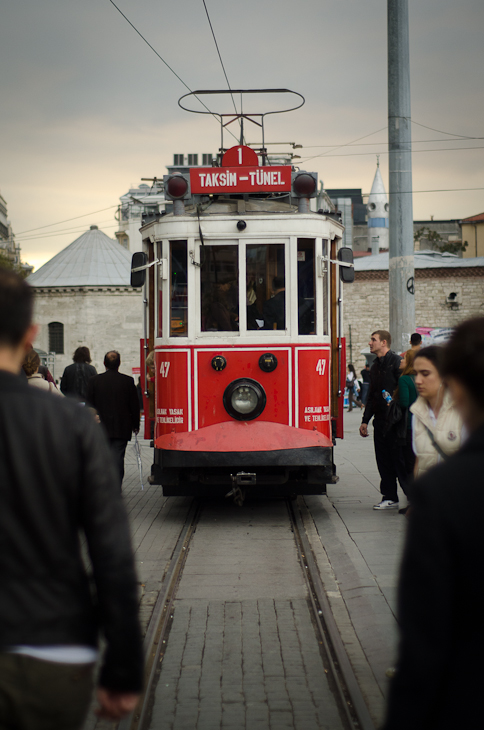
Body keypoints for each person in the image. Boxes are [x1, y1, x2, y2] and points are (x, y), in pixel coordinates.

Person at [0, 269, 143, 728]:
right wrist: (122, 669)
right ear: (31, 335)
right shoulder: (71, 425)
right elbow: (112, 554)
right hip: (52, 647)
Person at [382, 317, 484, 730]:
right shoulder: (417, 412)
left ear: (457, 384)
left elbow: (425, 637)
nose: (419, 380)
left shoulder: (448, 494)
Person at [359, 330, 402, 509]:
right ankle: (389, 496)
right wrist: (365, 420)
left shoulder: (397, 362)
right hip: (380, 421)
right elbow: (372, 395)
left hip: (395, 421)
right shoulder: (375, 366)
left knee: (399, 460)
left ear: (383, 342)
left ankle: (412, 496)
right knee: (383, 460)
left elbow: (403, 389)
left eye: (373, 340)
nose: (370, 343)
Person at [86, 350, 140, 488]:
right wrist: (135, 424)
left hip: (100, 427)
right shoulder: (128, 381)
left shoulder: (94, 381)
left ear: (104, 363)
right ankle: (115, 486)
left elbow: (89, 405)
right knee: (118, 458)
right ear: (119, 363)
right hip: (121, 427)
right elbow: (134, 405)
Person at [410, 345, 463, 479]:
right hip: (429, 496)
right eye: (416, 374)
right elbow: (419, 460)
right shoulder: (417, 412)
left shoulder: (464, 411)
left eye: (425, 373)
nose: (418, 380)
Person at [389, 348, 418, 514]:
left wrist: (392, 403)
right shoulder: (420, 378)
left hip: (407, 427)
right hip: (420, 425)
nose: (400, 361)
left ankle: (412, 501)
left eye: (403, 359)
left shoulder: (404, 379)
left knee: (408, 465)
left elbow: (405, 402)